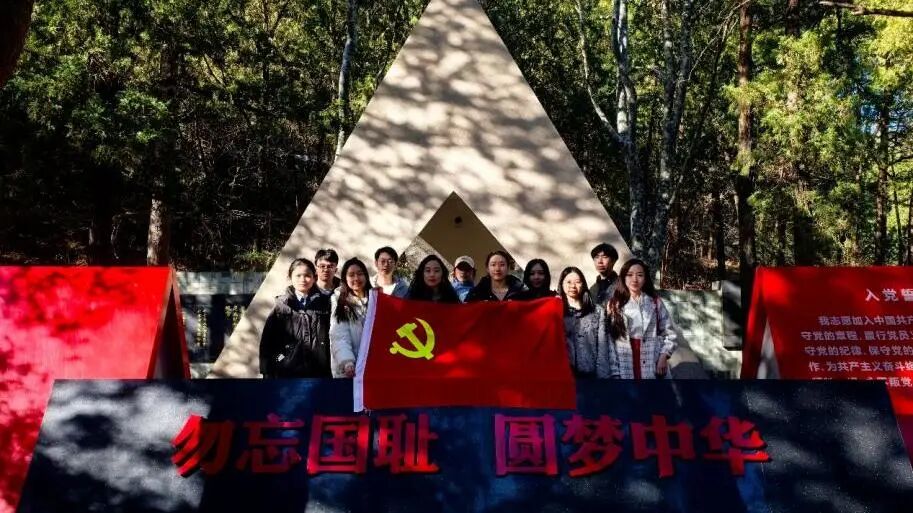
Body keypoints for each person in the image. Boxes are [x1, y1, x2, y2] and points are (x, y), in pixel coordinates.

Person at [259, 258, 332, 378]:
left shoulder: (325, 304)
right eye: (298, 275)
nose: (302, 279)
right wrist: (268, 368)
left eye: (307, 275)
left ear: (314, 277)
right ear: (290, 277)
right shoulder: (281, 306)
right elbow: (267, 342)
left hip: (320, 372)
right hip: (287, 372)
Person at [606, 258, 677, 380]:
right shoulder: (614, 305)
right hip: (624, 359)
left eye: (639, 275)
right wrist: (615, 371)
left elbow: (670, 334)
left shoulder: (655, 302)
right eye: (629, 275)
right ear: (623, 277)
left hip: (652, 359)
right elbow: (611, 341)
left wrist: (663, 356)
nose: (634, 279)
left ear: (645, 278)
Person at [558, 267, 617, 378]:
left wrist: (602, 378)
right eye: (568, 282)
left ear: (583, 284)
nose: (573, 286)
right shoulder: (556, 311)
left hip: (590, 375)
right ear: (562, 284)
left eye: (577, 282)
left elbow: (603, 347)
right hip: (562, 375)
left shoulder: (597, 311)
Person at [330, 258, 371, 378]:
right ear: (345, 278)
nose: (356, 278)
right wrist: (347, 362)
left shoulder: (376, 298)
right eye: (351, 275)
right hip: (350, 370)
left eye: (360, 273)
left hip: (373, 367)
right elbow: (339, 336)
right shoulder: (339, 301)